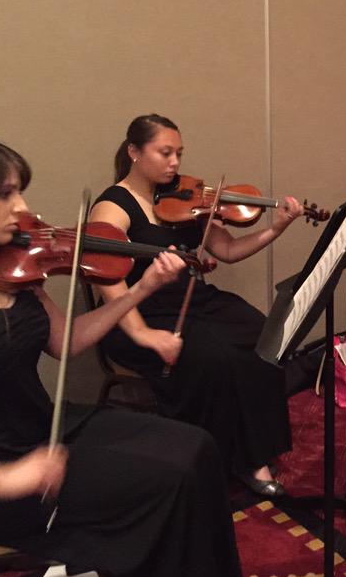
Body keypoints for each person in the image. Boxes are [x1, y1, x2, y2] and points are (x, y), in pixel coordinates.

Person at [0, 134, 246, 577]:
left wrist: (143, 288)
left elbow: (67, 342)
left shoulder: (6, 269)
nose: (23, 207)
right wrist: (3, 478)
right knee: (164, 484)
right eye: (7, 193)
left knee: (196, 446)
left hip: (41, 427)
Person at [90, 114, 302, 496]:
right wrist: (144, 334)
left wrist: (276, 227)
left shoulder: (182, 197)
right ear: (134, 152)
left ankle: (258, 444)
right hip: (144, 314)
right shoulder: (113, 206)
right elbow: (109, 280)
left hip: (195, 301)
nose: (175, 163)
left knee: (264, 335)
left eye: (179, 154)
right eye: (165, 152)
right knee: (217, 359)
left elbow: (229, 249)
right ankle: (230, 460)